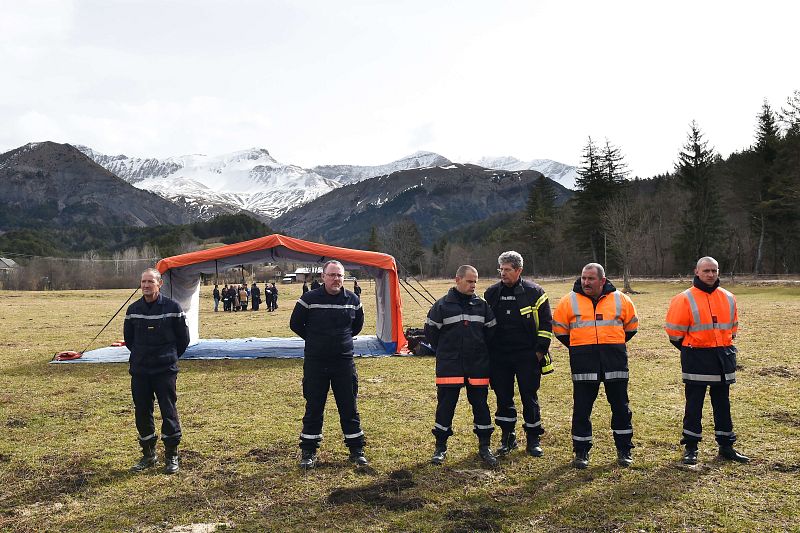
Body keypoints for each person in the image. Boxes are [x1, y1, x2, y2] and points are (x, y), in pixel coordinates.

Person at [552, 263, 638, 469]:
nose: (586, 282)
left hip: (614, 362)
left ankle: (624, 449)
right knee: (582, 409)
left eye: (591, 278)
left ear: (602, 280)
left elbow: (631, 327)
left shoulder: (621, 299)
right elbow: (560, 330)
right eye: (583, 278)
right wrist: (580, 348)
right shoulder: (568, 301)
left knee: (620, 407)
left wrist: (611, 344)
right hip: (583, 364)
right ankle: (581, 452)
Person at [665, 256, 749, 465]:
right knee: (694, 405)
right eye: (706, 271)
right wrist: (695, 348)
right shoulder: (684, 298)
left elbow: (733, 329)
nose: (711, 274)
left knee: (723, 404)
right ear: (697, 272)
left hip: (723, 357)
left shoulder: (729, 297)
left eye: (714, 270)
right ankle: (691, 448)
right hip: (697, 358)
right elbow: (675, 334)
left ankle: (726, 446)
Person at [290, 260, 367, 469]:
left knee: (349, 407)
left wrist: (341, 341)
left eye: (340, 275)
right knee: (314, 407)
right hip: (316, 363)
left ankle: (356, 450)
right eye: (332, 275)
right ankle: (308, 452)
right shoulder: (309, 299)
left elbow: (357, 326)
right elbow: (295, 324)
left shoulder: (353, 299)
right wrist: (315, 340)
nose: (336, 279)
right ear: (323, 277)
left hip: (343, 363)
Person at [424, 265, 498, 467]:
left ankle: (485, 447)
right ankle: (440, 447)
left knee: (481, 406)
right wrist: (448, 352)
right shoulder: (442, 306)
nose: (473, 285)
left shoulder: (482, 306)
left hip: (478, 365)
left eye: (475, 281)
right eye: (469, 281)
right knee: (445, 407)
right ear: (457, 280)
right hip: (450, 366)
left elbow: (491, 333)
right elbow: (431, 334)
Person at [483, 251, 554, 458]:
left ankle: (533, 439)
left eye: (507, 269)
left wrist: (540, 352)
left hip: (527, 356)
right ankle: (508, 437)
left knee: (529, 396)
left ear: (519, 270)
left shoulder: (535, 292)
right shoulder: (491, 293)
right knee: (503, 397)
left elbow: (546, 324)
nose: (502, 273)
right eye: (501, 269)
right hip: (499, 357)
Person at [124, 267, 190, 474]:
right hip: (140, 371)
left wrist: (168, 357)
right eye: (143, 282)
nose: (145, 285)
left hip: (165, 370)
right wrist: (143, 356)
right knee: (142, 411)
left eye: (150, 282)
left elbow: (183, 339)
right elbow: (129, 341)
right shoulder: (133, 310)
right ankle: (148, 454)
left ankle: (171, 455)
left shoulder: (173, 308)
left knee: (168, 411)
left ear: (160, 284)